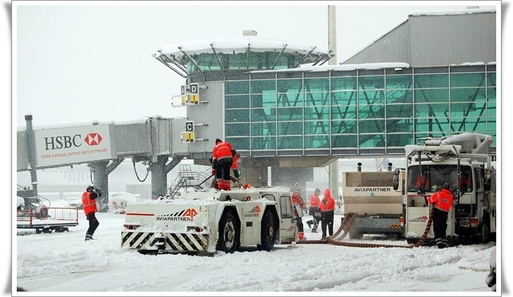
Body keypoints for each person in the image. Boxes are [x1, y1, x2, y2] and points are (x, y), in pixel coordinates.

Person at [428, 182, 454, 248]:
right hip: (445, 214)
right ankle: (444, 241)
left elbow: (430, 200)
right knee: (443, 228)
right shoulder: (450, 197)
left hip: (437, 213)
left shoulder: (438, 194)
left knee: (437, 228)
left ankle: (439, 242)